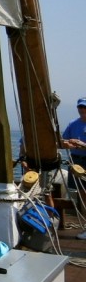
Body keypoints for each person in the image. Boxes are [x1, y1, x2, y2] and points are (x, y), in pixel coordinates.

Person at [61, 98, 86, 237]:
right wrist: (67, 144)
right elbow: (63, 141)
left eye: (85, 108)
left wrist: (83, 144)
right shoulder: (73, 124)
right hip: (76, 162)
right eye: (80, 108)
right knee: (81, 195)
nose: (82, 110)